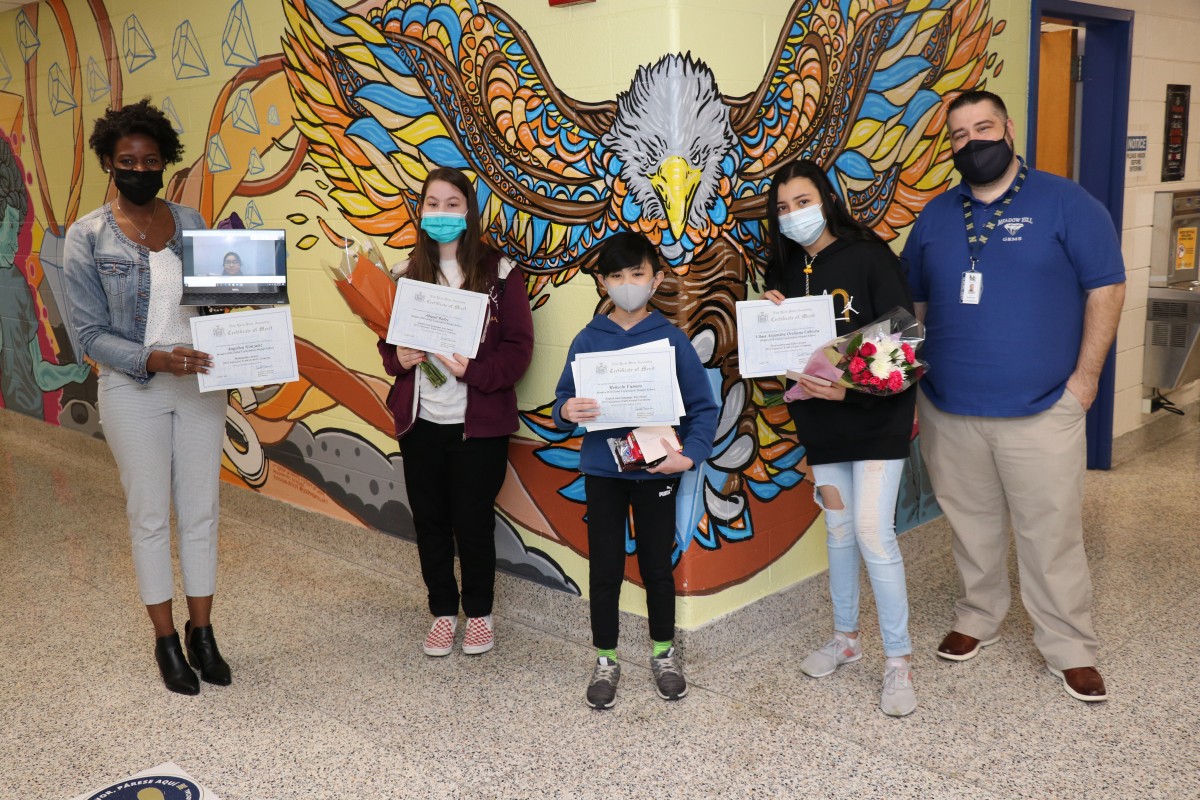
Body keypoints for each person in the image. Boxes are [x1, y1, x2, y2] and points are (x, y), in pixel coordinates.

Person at [901, 90, 1125, 702]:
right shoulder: (936, 216)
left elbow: (1106, 289)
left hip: (1042, 405)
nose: (972, 143)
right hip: (949, 403)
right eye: (958, 136)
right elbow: (915, 304)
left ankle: (1069, 644)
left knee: (1049, 531)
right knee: (971, 525)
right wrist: (911, 373)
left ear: (1009, 130)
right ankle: (978, 615)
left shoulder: (1068, 203)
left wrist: (1085, 381)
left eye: (984, 128)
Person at [63, 100, 230, 696]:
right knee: (151, 516)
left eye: (151, 160)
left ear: (166, 163)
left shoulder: (193, 223)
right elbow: (87, 336)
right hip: (132, 389)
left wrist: (248, 324)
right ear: (109, 163)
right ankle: (165, 640)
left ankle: (202, 632)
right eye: (127, 161)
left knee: (203, 511)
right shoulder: (85, 237)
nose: (140, 169)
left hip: (201, 388)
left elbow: (220, 304)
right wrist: (155, 358)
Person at [762, 159, 919, 717]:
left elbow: (906, 338)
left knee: (876, 533)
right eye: (782, 208)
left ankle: (898, 659)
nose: (793, 215)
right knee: (839, 529)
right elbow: (783, 361)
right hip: (822, 426)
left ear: (827, 199)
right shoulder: (780, 274)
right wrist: (771, 324)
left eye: (802, 202)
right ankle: (846, 638)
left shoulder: (869, 255)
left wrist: (849, 390)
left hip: (877, 419)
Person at [552, 231, 718, 709]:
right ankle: (605, 658)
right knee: (604, 567)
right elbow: (563, 399)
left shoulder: (671, 339)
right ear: (603, 283)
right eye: (617, 276)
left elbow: (703, 409)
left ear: (656, 278)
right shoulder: (587, 338)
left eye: (637, 274)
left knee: (655, 567)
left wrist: (690, 455)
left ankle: (664, 654)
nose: (628, 283)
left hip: (656, 472)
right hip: (604, 473)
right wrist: (568, 412)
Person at [377, 166, 533, 657]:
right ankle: (443, 613)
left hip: (476, 428)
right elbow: (388, 345)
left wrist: (474, 370)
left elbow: (518, 351)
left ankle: (480, 614)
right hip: (419, 423)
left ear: (469, 210)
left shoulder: (501, 275)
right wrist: (396, 359)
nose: (441, 213)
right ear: (419, 210)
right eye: (432, 204)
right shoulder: (405, 275)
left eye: (452, 204)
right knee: (429, 521)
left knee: (473, 522)